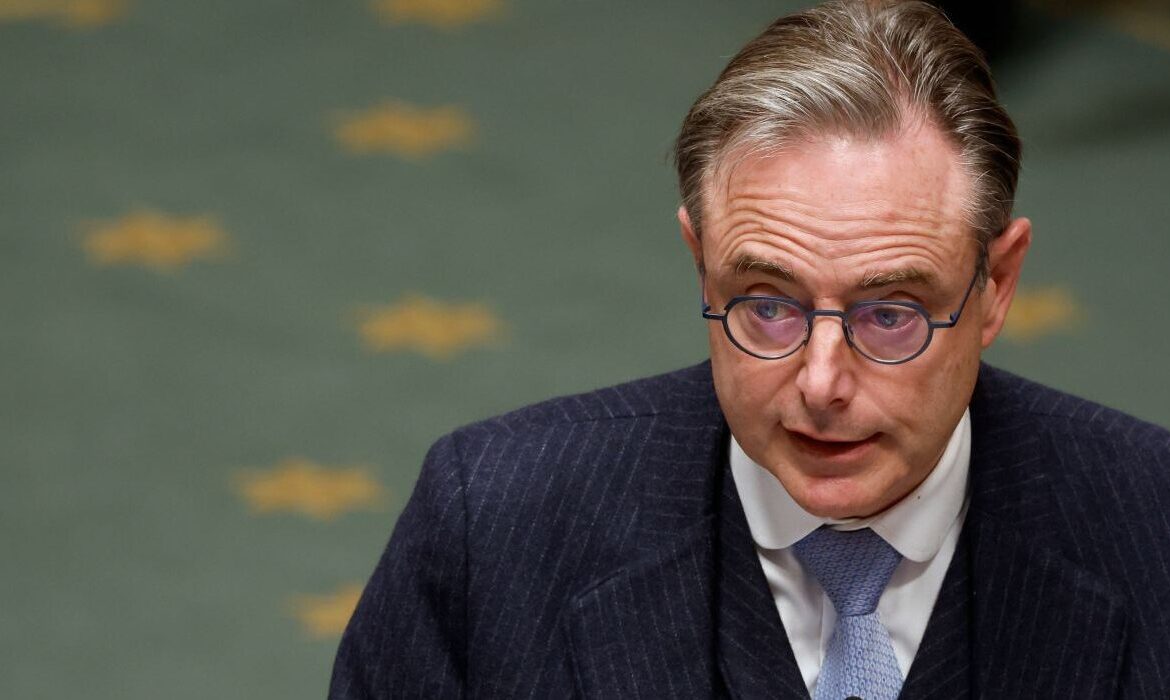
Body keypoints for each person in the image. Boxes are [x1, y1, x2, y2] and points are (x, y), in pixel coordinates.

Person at [329, 1, 1170, 697]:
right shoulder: (491, 528)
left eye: (890, 314)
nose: (821, 383)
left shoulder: (1153, 528)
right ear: (702, 264)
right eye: (768, 306)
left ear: (997, 285)